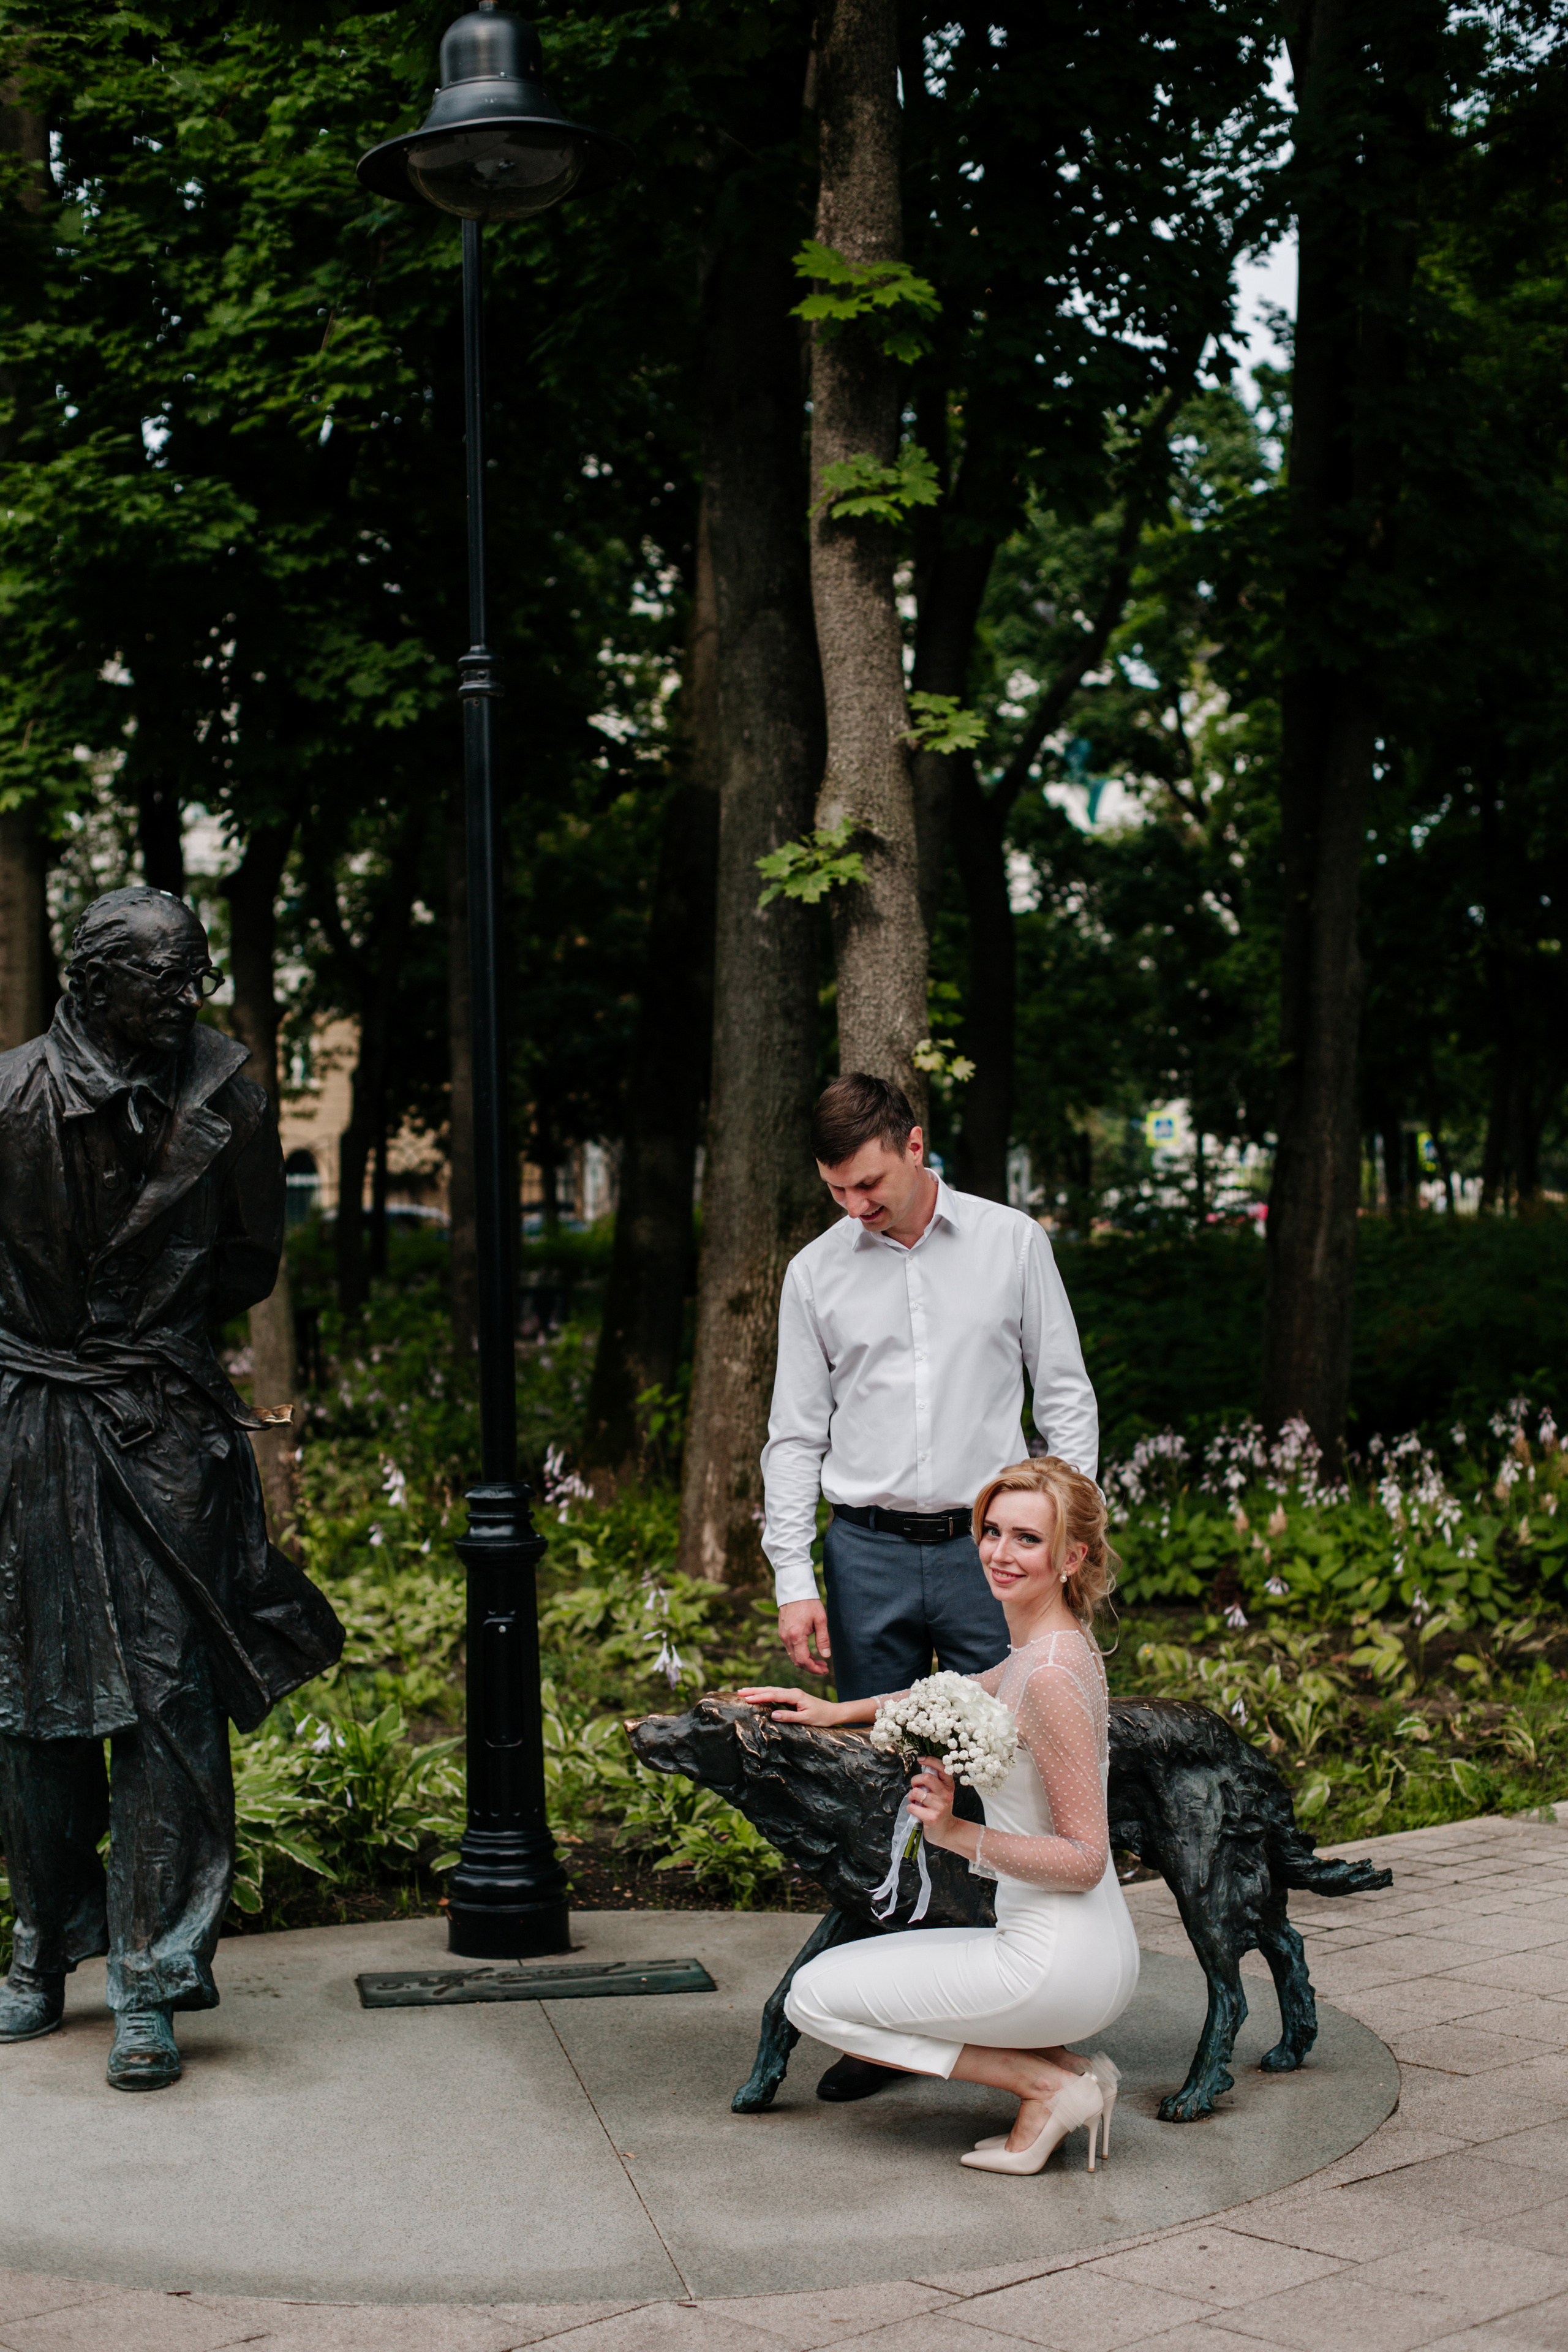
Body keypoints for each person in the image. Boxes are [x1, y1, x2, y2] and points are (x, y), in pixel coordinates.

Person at [0, 888, 344, 2091]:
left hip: (160, 1426)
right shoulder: (8, 1100)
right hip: (36, 1428)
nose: (187, 998)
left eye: (196, 972)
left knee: (164, 1706)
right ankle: (41, 1949)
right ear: (92, 979)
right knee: (29, 1714)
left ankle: (149, 1976)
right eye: (163, 977)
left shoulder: (231, 1099)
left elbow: (248, 1261)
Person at [739, 1456, 1139, 2174]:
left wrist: (955, 1834)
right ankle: (1072, 2071)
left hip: (1055, 1961)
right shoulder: (1045, 1651)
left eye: (1026, 1539)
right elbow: (948, 1694)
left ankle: (1046, 2086)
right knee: (839, 1979)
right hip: (1077, 1949)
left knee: (814, 1999)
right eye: (990, 1531)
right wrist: (839, 1711)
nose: (998, 1553)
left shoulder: (1046, 1675)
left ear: (1071, 1556)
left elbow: (1085, 1860)